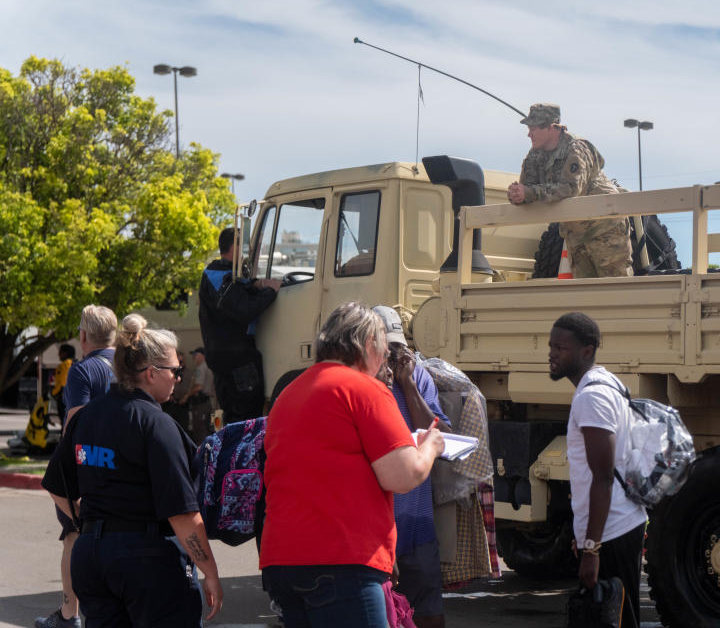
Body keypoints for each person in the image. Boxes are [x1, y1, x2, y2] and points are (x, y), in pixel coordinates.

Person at [260, 302, 445, 628]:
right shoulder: (364, 389)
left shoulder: (289, 393)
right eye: (385, 352)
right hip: (341, 560)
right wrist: (429, 447)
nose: (385, 361)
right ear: (369, 346)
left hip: (283, 561)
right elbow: (402, 475)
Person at [40, 313, 223, 626]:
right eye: (175, 370)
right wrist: (211, 572)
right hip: (146, 562)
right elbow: (182, 515)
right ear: (151, 373)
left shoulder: (86, 417)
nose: (178, 377)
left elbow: (56, 485)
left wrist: (92, 524)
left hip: (92, 558)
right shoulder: (157, 424)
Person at [547, 312, 647, 628]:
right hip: (616, 525)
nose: (551, 353)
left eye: (560, 348)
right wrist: (584, 532)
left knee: (611, 618)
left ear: (586, 351)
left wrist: (592, 547)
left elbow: (602, 477)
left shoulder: (591, 396)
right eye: (550, 346)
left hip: (612, 531)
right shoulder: (609, 382)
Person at [36, 305, 117, 628]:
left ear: (83, 336)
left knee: (74, 535)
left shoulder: (84, 371)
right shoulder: (130, 366)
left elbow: (74, 421)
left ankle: (70, 613)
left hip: (89, 464)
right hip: (124, 464)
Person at [373, 305, 451, 628]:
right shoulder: (362, 382)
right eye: (384, 350)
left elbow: (437, 433)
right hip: (376, 527)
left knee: (429, 611)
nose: (392, 358)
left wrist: (408, 384)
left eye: (397, 348)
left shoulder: (416, 375)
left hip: (416, 523)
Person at [507, 103, 633, 279]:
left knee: (617, 294)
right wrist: (517, 195)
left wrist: (529, 193)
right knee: (585, 299)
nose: (529, 134)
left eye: (534, 129)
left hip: (605, 231)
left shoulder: (577, 148)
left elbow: (571, 188)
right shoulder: (535, 155)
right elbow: (527, 188)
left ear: (552, 127)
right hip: (576, 237)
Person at [198, 227, 281, 424]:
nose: (251, 252)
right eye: (248, 247)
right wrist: (271, 291)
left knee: (240, 415)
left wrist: (256, 285)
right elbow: (242, 308)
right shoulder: (216, 275)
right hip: (234, 358)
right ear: (235, 247)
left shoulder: (226, 274)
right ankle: (242, 454)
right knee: (246, 417)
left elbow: (238, 291)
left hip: (230, 355)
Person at [50, 344, 75, 426]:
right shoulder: (76, 363)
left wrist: (53, 393)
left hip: (63, 398)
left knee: (64, 423)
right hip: (73, 398)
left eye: (60, 352)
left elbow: (62, 383)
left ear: (65, 353)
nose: (58, 354)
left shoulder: (64, 365)